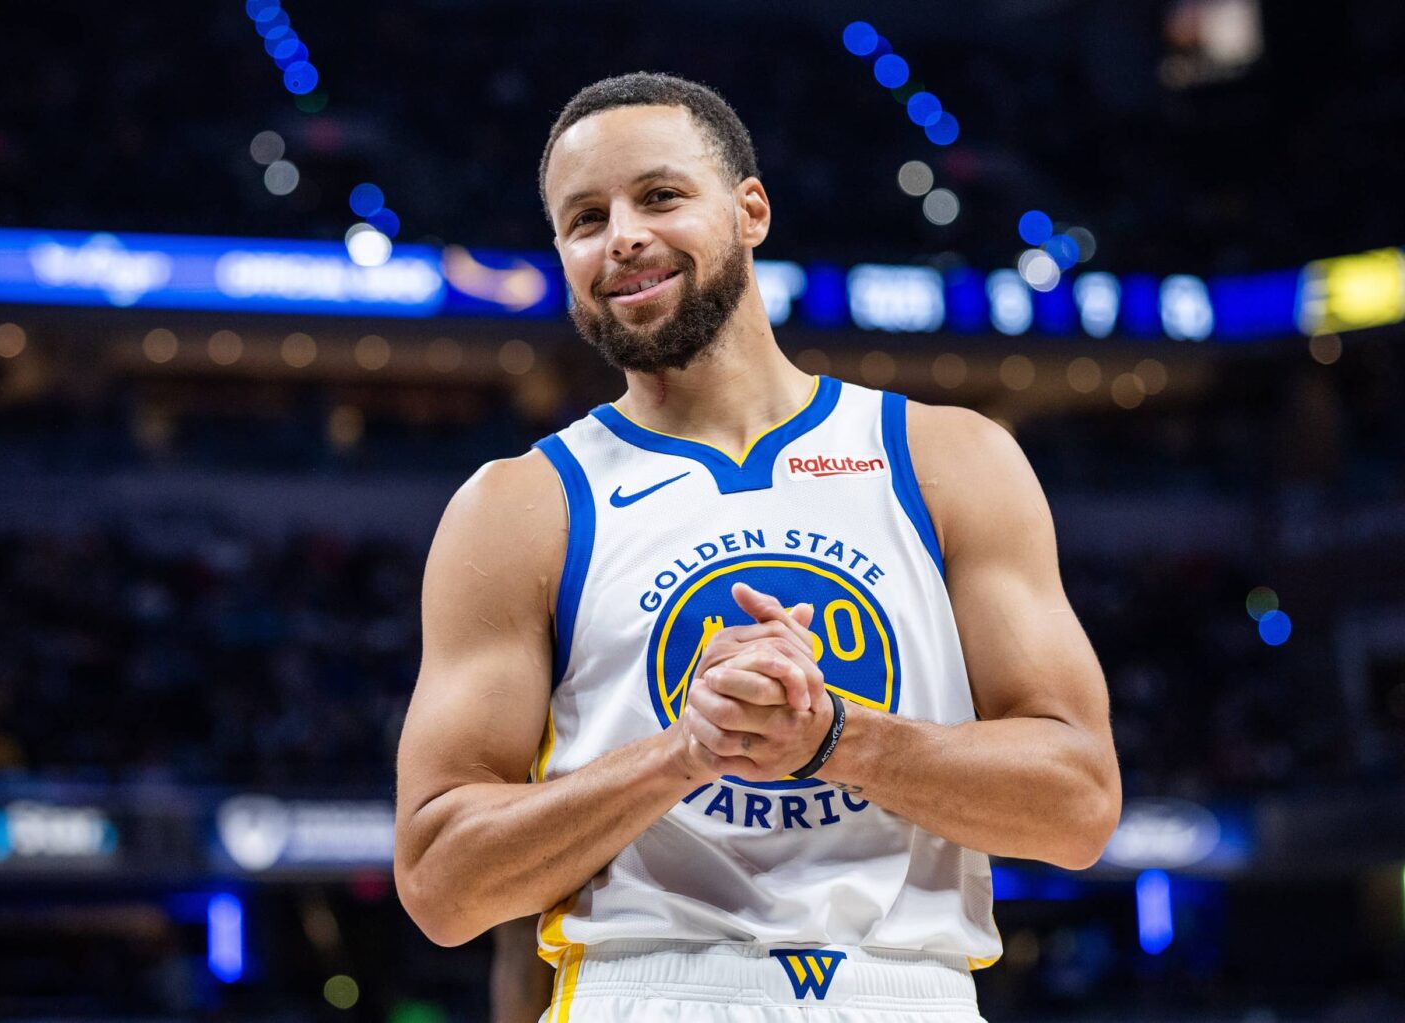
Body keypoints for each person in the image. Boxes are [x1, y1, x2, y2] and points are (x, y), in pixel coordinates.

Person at [395, 72, 1121, 1022]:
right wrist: (686, 753)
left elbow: (1078, 804)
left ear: (751, 211)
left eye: (659, 195)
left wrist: (833, 738)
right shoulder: (519, 505)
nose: (621, 236)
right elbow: (443, 882)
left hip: (908, 988)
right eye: (584, 218)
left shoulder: (951, 458)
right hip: (649, 985)